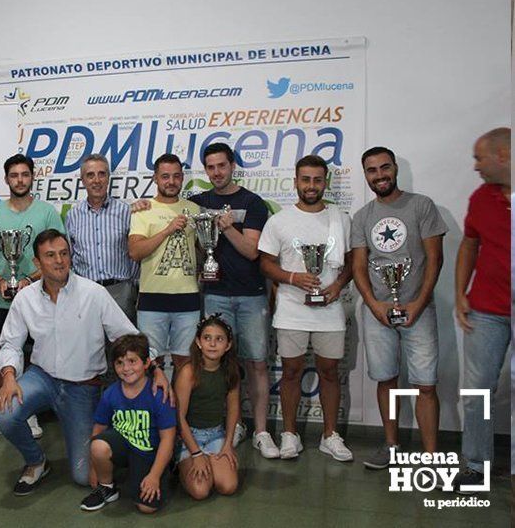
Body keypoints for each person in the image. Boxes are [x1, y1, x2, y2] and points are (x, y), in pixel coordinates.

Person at [0, 229, 170, 495]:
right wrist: (8, 378)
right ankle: (36, 461)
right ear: (37, 263)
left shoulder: (94, 294)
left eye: (64, 254)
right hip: (42, 377)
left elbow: (127, 335)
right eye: (50, 256)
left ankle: (104, 446)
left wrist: (154, 367)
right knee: (5, 413)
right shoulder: (25, 298)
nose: (59, 261)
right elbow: (10, 343)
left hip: (82, 387)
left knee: (82, 476)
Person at [352, 146, 446, 469]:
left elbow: (436, 259)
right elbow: (359, 267)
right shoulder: (362, 217)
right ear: (365, 175)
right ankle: (392, 446)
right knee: (386, 379)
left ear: (395, 169)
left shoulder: (422, 206)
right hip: (378, 312)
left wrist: (419, 303)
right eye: (372, 170)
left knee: (426, 384)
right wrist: (373, 304)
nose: (380, 175)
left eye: (384, 168)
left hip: (419, 310)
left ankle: (431, 456)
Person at [258, 155, 354, 461]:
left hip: (330, 308)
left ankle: (329, 435)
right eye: (305, 179)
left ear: (324, 182)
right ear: (296, 181)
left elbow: (353, 263)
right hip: (290, 308)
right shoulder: (279, 221)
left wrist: (337, 288)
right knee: (291, 372)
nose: (311, 186)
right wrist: (292, 277)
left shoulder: (341, 217)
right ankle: (290, 435)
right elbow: (265, 262)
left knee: (329, 372)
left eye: (317, 180)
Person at [189, 142, 276, 457]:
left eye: (221, 166)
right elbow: (168, 209)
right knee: (222, 365)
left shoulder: (252, 203)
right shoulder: (198, 202)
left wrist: (227, 228)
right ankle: (232, 426)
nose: (216, 173)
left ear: (232, 166)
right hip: (215, 294)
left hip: (251, 295)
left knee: (256, 364)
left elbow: (252, 251)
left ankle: (262, 430)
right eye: (210, 167)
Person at [0, 154, 65, 441]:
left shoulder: (47, 212)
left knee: (33, 357)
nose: (19, 180)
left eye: (25, 175)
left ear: (32, 177)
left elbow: (57, 258)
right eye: (14, 175)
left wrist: (28, 281)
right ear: (7, 179)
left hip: (39, 298)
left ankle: (30, 414)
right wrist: (1, 280)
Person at [453, 128, 511, 492]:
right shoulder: (481, 197)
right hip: (487, 310)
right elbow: (469, 245)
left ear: (503, 155)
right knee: (477, 391)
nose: (475, 166)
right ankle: (476, 466)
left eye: (479, 158)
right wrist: (460, 292)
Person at [82, 335, 176, 514]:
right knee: (98, 446)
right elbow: (98, 429)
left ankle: (163, 471)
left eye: (132, 361)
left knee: (146, 507)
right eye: (119, 363)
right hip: (124, 446)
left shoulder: (159, 394)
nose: (126, 368)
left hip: (149, 453)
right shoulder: (110, 394)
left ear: (147, 363)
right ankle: (107, 487)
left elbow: (168, 440)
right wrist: (94, 466)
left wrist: (154, 475)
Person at [129, 153, 199, 373]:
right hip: (152, 299)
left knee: (186, 364)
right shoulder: (143, 209)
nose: (171, 182)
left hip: (188, 299)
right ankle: (157, 408)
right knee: (151, 364)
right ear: (155, 179)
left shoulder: (195, 210)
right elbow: (135, 251)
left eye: (176, 176)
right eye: (165, 176)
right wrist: (167, 230)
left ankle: (180, 409)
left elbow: (202, 249)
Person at [173, 315, 240, 500]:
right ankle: (180, 466)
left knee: (228, 486)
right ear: (198, 342)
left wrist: (227, 445)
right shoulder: (188, 372)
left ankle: (212, 461)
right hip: (189, 438)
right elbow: (179, 417)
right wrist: (196, 453)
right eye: (207, 338)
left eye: (219, 339)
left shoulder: (230, 371)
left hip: (216, 435)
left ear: (228, 345)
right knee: (200, 491)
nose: (212, 344)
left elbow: (233, 409)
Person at [65, 153, 138, 322]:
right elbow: (70, 256)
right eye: (90, 175)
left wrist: (129, 287)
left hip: (121, 292)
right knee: (88, 346)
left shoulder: (125, 211)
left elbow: (133, 253)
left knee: (122, 347)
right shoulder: (72, 215)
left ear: (108, 178)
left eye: (102, 174)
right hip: (85, 293)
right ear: (82, 180)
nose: (96, 180)